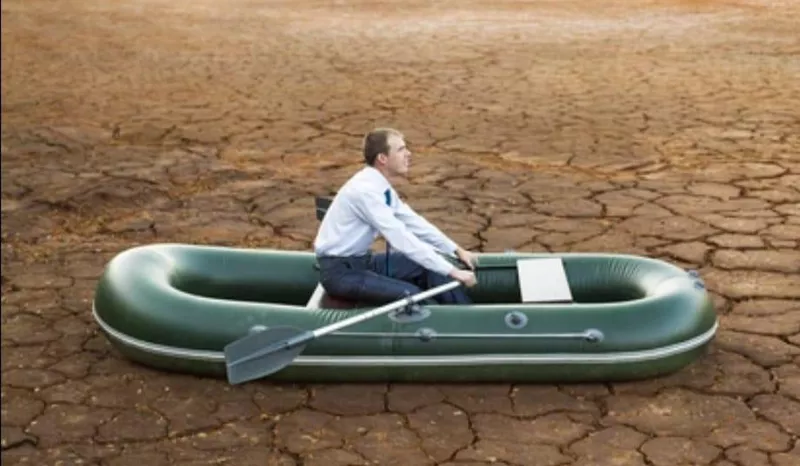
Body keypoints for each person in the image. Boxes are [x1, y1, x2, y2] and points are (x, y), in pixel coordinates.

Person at [313, 127, 478, 306]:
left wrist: (455, 249)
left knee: (430, 267)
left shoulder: (380, 186)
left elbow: (413, 222)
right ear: (382, 159)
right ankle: (452, 325)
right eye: (401, 150)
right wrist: (453, 272)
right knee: (413, 296)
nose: (409, 154)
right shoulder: (365, 192)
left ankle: (466, 313)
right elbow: (401, 238)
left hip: (362, 262)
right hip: (341, 274)